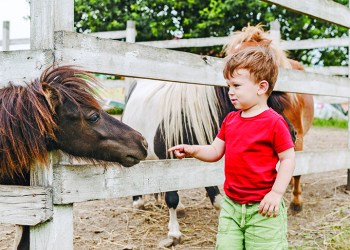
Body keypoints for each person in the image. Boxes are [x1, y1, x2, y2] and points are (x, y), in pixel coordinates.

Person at [168, 44, 295, 249]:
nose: (230, 92)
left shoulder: (274, 122)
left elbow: (288, 158)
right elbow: (215, 151)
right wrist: (193, 150)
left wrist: (277, 193)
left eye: (236, 86)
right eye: (228, 86)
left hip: (263, 209)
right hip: (232, 207)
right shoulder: (230, 120)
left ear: (261, 87)